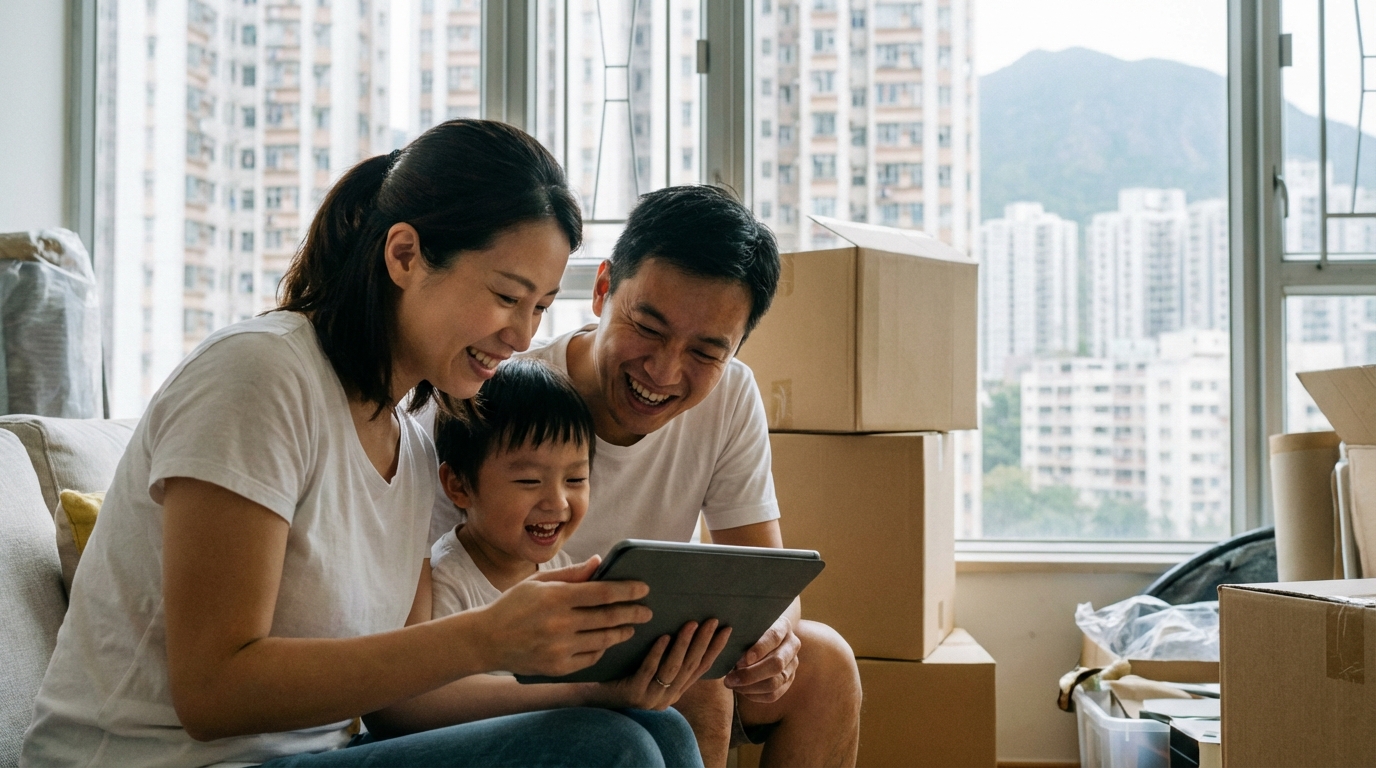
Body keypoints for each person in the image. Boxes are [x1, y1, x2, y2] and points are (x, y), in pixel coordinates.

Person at [21, 120, 703, 768]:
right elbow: (214, 689)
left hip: (317, 756)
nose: (523, 336)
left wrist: (590, 687)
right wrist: (487, 636)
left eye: (540, 307)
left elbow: (402, 701)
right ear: (404, 255)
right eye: (505, 295)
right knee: (604, 752)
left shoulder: (410, 440)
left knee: (651, 726)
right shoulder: (259, 375)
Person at [430, 185, 863, 767]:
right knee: (693, 670)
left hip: (651, 652)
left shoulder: (732, 395)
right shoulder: (502, 398)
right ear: (604, 289)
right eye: (649, 329)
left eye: (706, 352)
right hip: (517, 667)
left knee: (824, 664)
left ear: (735, 349)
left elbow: (764, 576)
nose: (663, 371)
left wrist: (774, 640)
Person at [425, 357, 730, 721]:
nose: (557, 503)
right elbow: (431, 703)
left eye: (575, 480)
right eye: (528, 481)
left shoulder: (563, 571)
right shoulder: (447, 579)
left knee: (667, 721)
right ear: (459, 486)